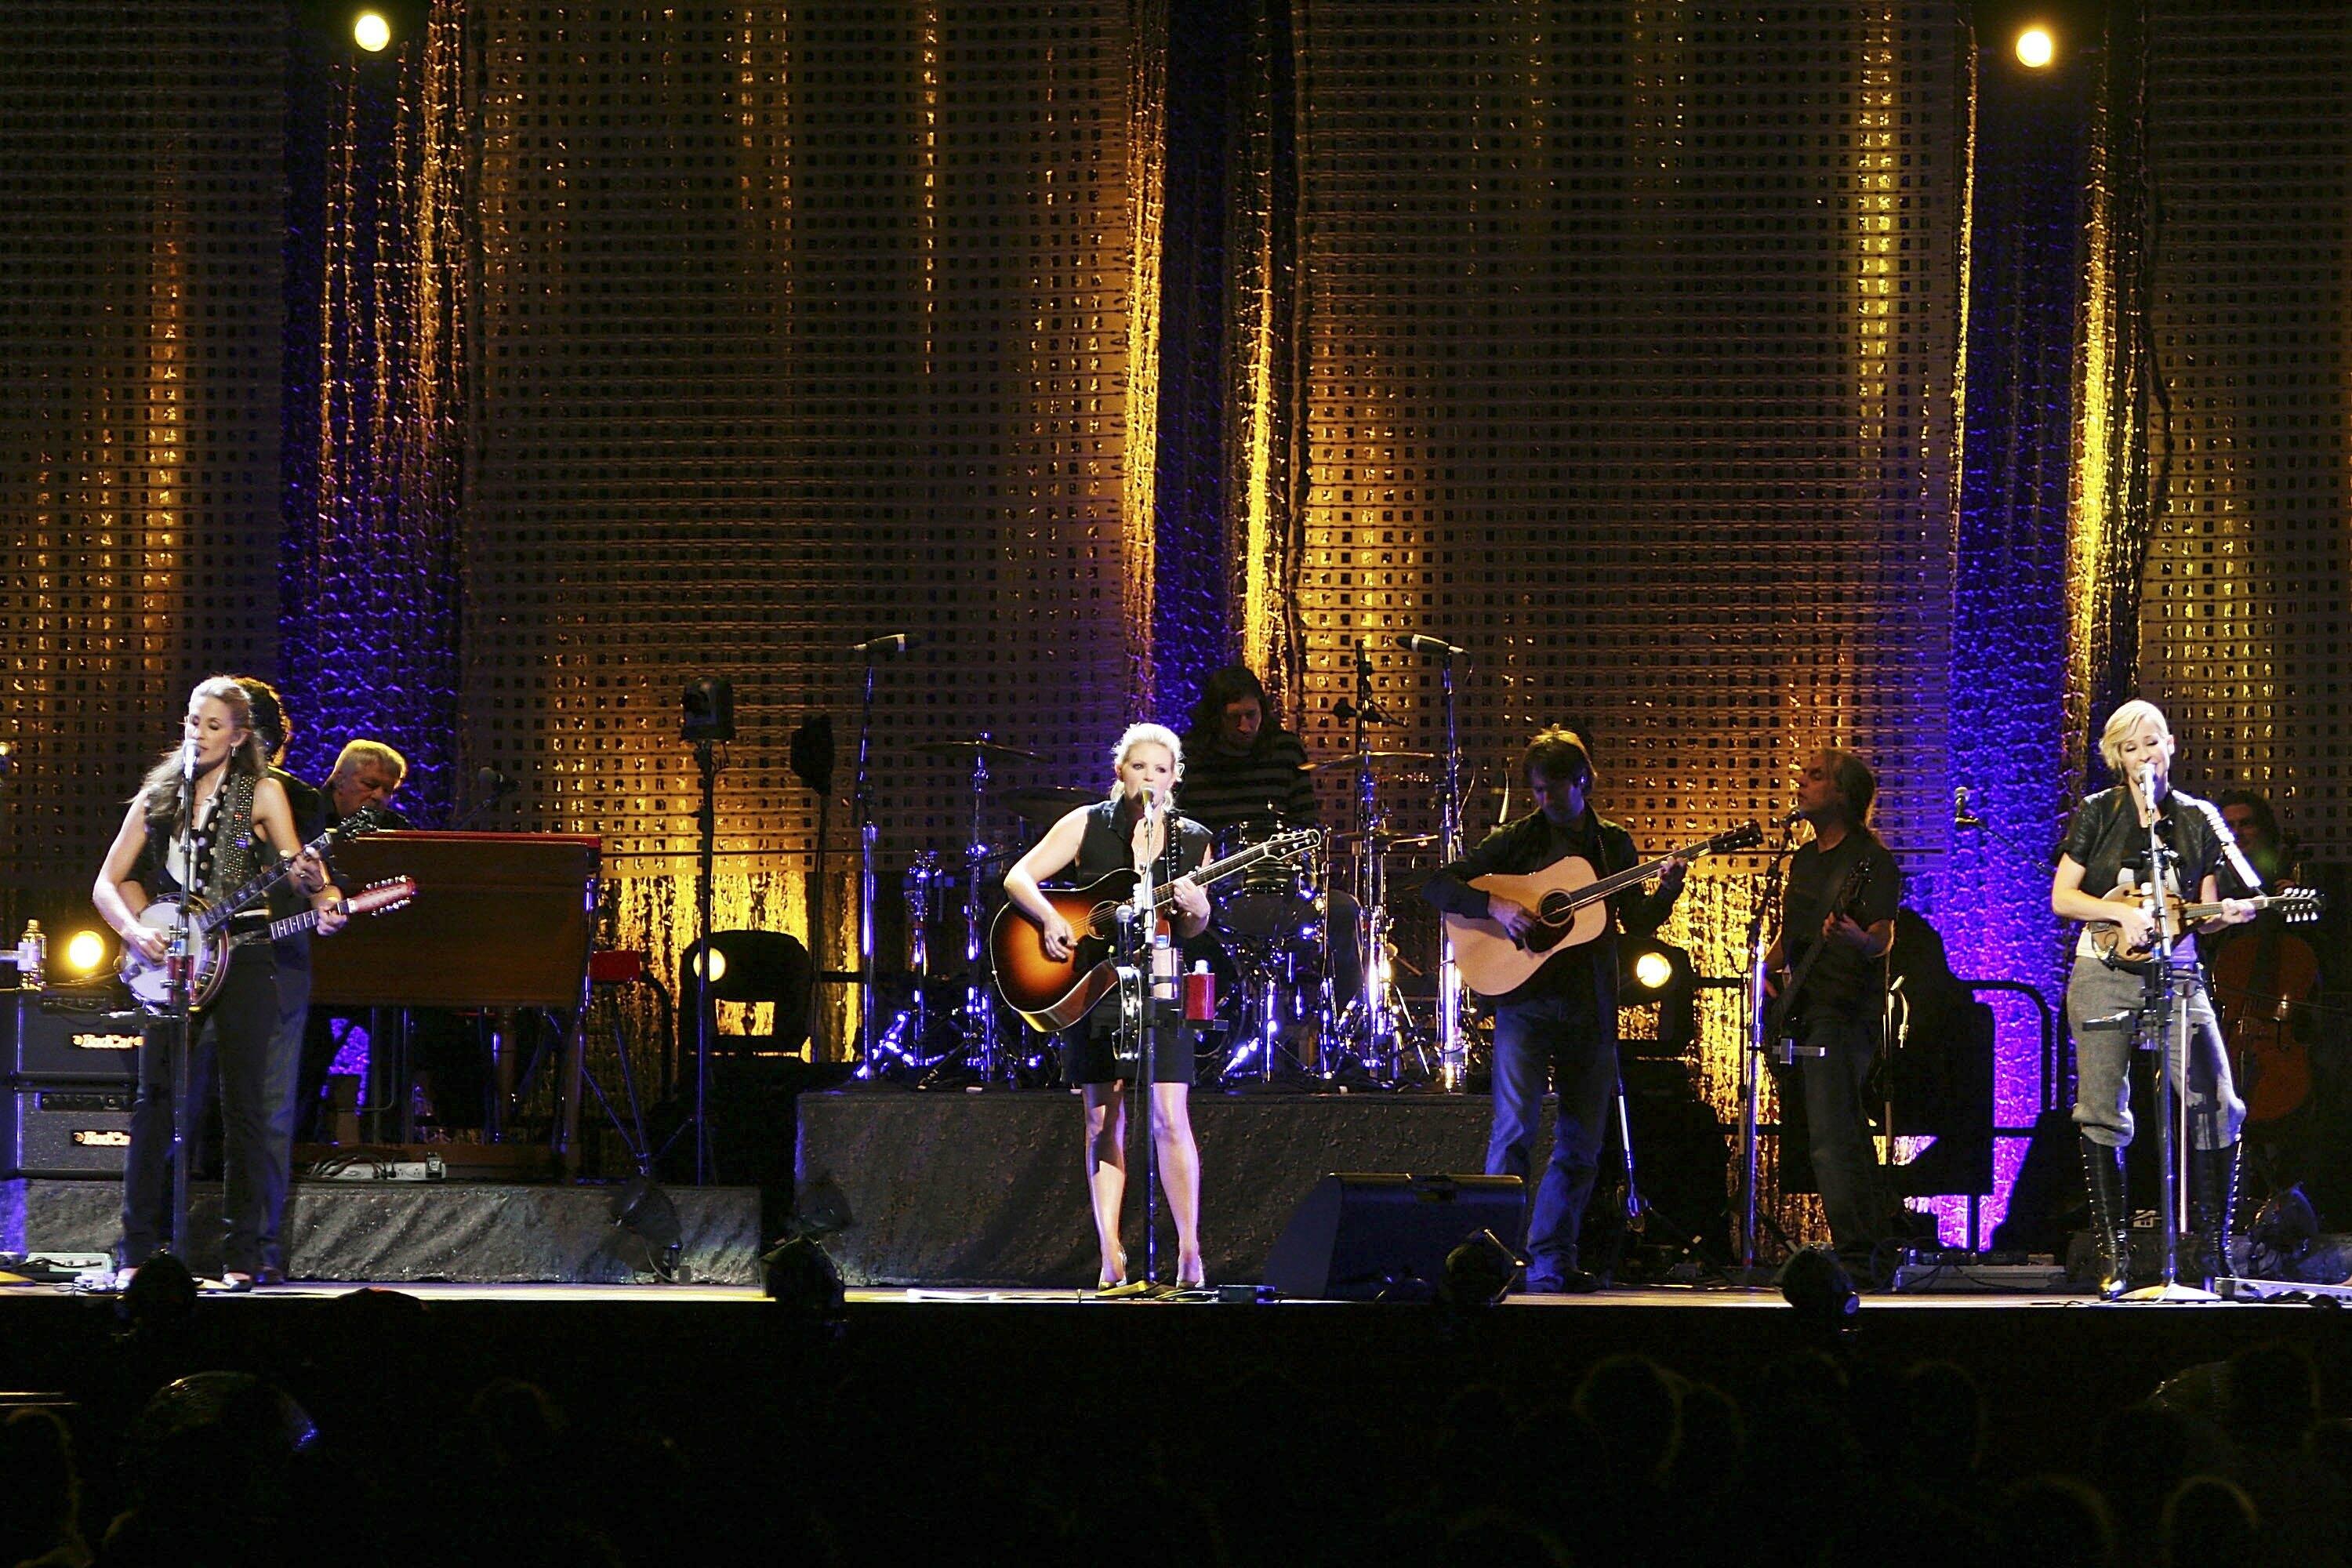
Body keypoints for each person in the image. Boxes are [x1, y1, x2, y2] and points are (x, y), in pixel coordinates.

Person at [92, 676, 347, 1290]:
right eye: (192, 722)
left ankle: (244, 1255)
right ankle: (136, 1251)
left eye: (212, 726)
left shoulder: (262, 792)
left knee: (245, 1107)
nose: (198, 734)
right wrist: (134, 930)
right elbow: (107, 882)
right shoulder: (158, 796)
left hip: (248, 958)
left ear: (237, 737)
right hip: (175, 962)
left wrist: (323, 889)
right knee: (156, 1104)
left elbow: (300, 872)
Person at [1421, 728, 1686, 1291]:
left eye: (1553, 789)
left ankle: (1551, 1260)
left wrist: (1667, 889)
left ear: (1582, 781)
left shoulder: (1612, 845)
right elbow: (1439, 887)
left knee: (1581, 1143)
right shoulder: (1517, 840)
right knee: (1514, 1129)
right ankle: (1492, 1260)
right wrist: (1495, 905)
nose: (1543, 800)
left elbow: (1637, 921)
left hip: (1590, 1005)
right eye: (1536, 790)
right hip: (1525, 1003)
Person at [2052, 699, 2258, 1297]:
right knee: (2101, 1107)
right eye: (2131, 747)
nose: (2145, 756)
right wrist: (2118, 912)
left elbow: (2205, 909)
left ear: (2170, 747)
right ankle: (2114, 1255)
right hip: (2103, 971)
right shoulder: (2099, 812)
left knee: (2218, 1102)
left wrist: (2227, 914)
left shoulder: (2196, 818)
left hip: (2179, 973)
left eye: (2153, 742)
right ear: (2118, 759)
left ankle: (2213, 1250)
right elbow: (2063, 897)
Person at [1003, 724, 1214, 1288]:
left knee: (1169, 1117)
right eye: (1139, 767)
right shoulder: (1087, 823)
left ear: (1175, 779)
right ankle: (1109, 1253)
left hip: (1160, 984)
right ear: (1120, 771)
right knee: (1102, 1118)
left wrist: (1197, 910)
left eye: (1161, 770)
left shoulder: (1192, 839)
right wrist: (1051, 917)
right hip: (1094, 986)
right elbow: (1019, 878)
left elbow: (1193, 926)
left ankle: (1189, 1252)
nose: (1150, 778)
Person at [1765, 748, 1902, 1274]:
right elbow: (1791, 936)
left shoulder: (1871, 861)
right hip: (1800, 1010)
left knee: (1834, 1138)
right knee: (1830, 1134)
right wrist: (1762, 971)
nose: (1801, 782)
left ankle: (1858, 1255)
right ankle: (1871, 1243)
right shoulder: (1802, 859)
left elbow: (1883, 937)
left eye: (1815, 776)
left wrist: (1857, 940)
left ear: (1843, 795)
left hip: (1843, 1013)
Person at [234, 677, 328, 1284]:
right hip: (204, 966)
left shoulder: (298, 799)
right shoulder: (183, 794)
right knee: (180, 1102)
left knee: (269, 1108)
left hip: (275, 961)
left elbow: (311, 878)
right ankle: (160, 1244)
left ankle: (260, 1248)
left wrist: (324, 891)